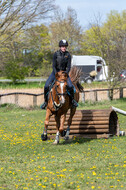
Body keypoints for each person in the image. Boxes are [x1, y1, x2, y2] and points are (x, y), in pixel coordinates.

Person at [41, 39, 78, 109]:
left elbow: (69, 66)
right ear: (60, 47)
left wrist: (66, 73)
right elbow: (54, 66)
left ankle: (72, 101)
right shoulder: (56, 54)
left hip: (64, 74)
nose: (64, 47)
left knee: (70, 86)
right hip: (55, 73)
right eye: (62, 46)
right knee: (46, 86)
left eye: (65, 46)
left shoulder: (68, 55)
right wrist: (56, 74)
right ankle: (45, 102)